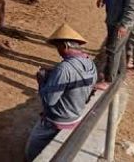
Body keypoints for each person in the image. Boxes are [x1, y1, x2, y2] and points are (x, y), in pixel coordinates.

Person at [25, 23, 97, 162]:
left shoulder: (64, 69)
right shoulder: (89, 62)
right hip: (76, 115)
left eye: (58, 47)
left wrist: (42, 81)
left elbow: (49, 100)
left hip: (57, 120)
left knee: (31, 151)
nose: (58, 51)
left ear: (65, 46)